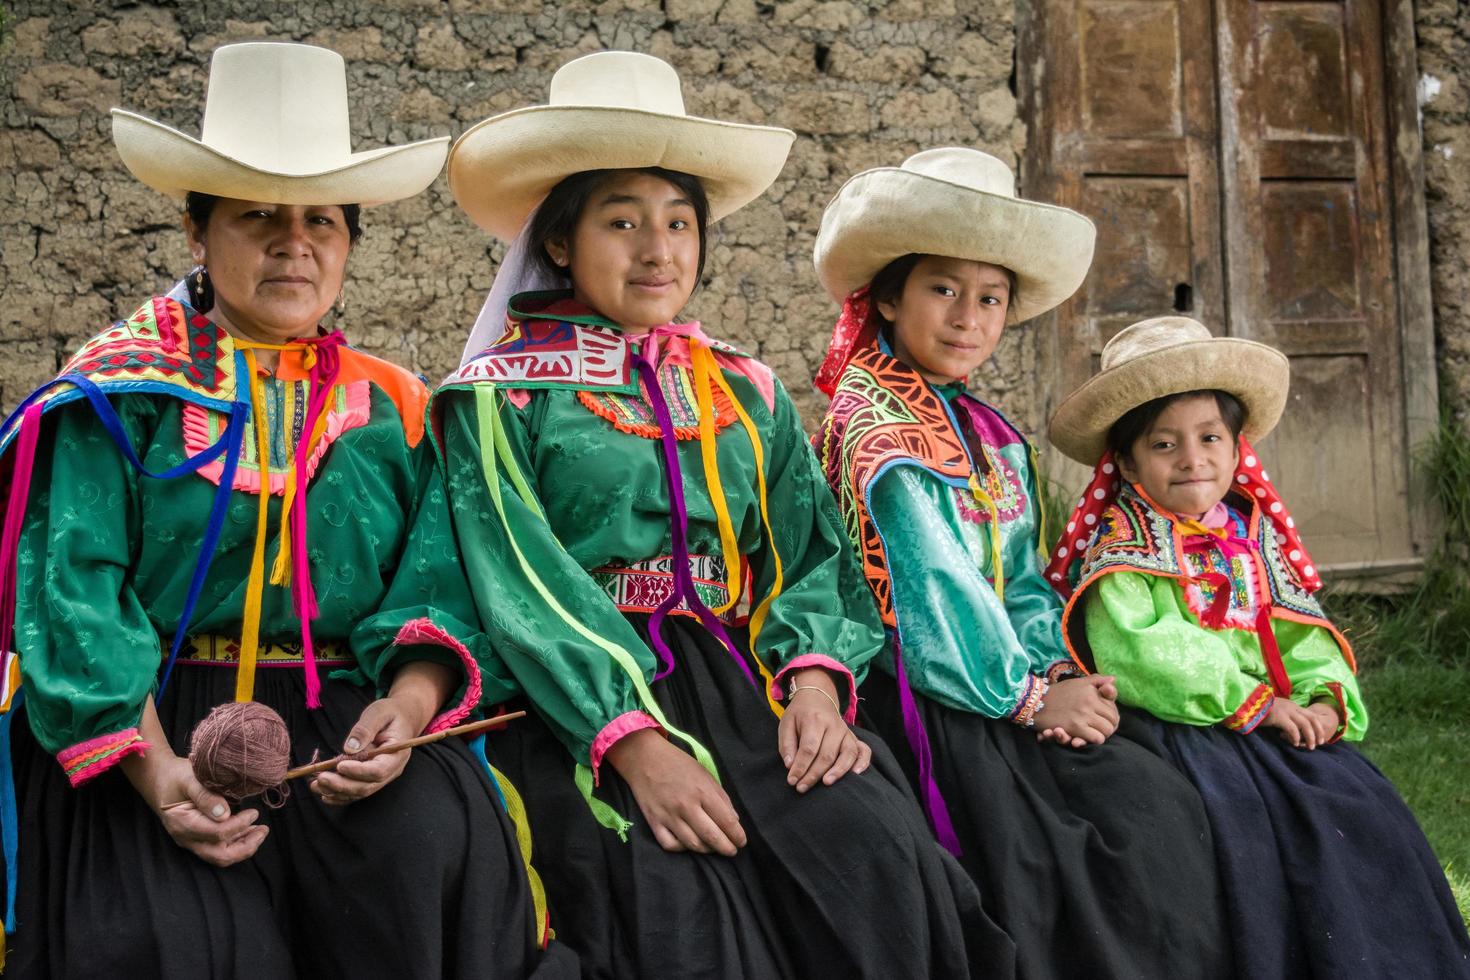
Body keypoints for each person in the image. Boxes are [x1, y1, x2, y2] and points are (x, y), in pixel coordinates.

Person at [0, 42, 573, 978]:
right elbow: (75, 593)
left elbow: (438, 578)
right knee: (176, 944)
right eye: (256, 216)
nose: (292, 243)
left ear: (348, 240)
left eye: (321, 221)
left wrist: (408, 702)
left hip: (343, 714)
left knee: (425, 847)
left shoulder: (395, 406)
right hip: (156, 715)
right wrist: (156, 774)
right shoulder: (116, 395)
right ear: (197, 231)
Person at [434, 51, 1009, 979]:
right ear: (559, 242)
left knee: (875, 857)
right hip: (581, 700)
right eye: (622, 222)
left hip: (749, 684)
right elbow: (519, 579)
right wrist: (635, 747)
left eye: (679, 223)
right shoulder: (498, 400)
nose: (659, 251)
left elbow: (810, 552)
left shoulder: (745, 390)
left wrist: (817, 685)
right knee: (679, 910)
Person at [813, 147, 1233, 979]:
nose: (969, 315)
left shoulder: (988, 431)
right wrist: (1035, 698)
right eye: (943, 289)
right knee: (1050, 858)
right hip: (929, 693)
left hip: (1010, 677)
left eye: (992, 296)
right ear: (889, 296)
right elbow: (936, 596)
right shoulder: (879, 426)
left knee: (1155, 801)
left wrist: (1056, 666)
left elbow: (1024, 574)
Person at [1047, 314, 1470, 978]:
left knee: (1355, 802)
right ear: (1126, 462)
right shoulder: (1123, 551)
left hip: (1270, 716)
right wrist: (1255, 703)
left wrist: (1324, 698)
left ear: (1237, 446)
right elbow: (1144, 654)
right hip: (1183, 725)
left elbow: (1297, 628)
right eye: (1163, 445)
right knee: (1247, 822)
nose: (1193, 459)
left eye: (1211, 437)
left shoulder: (1250, 539)